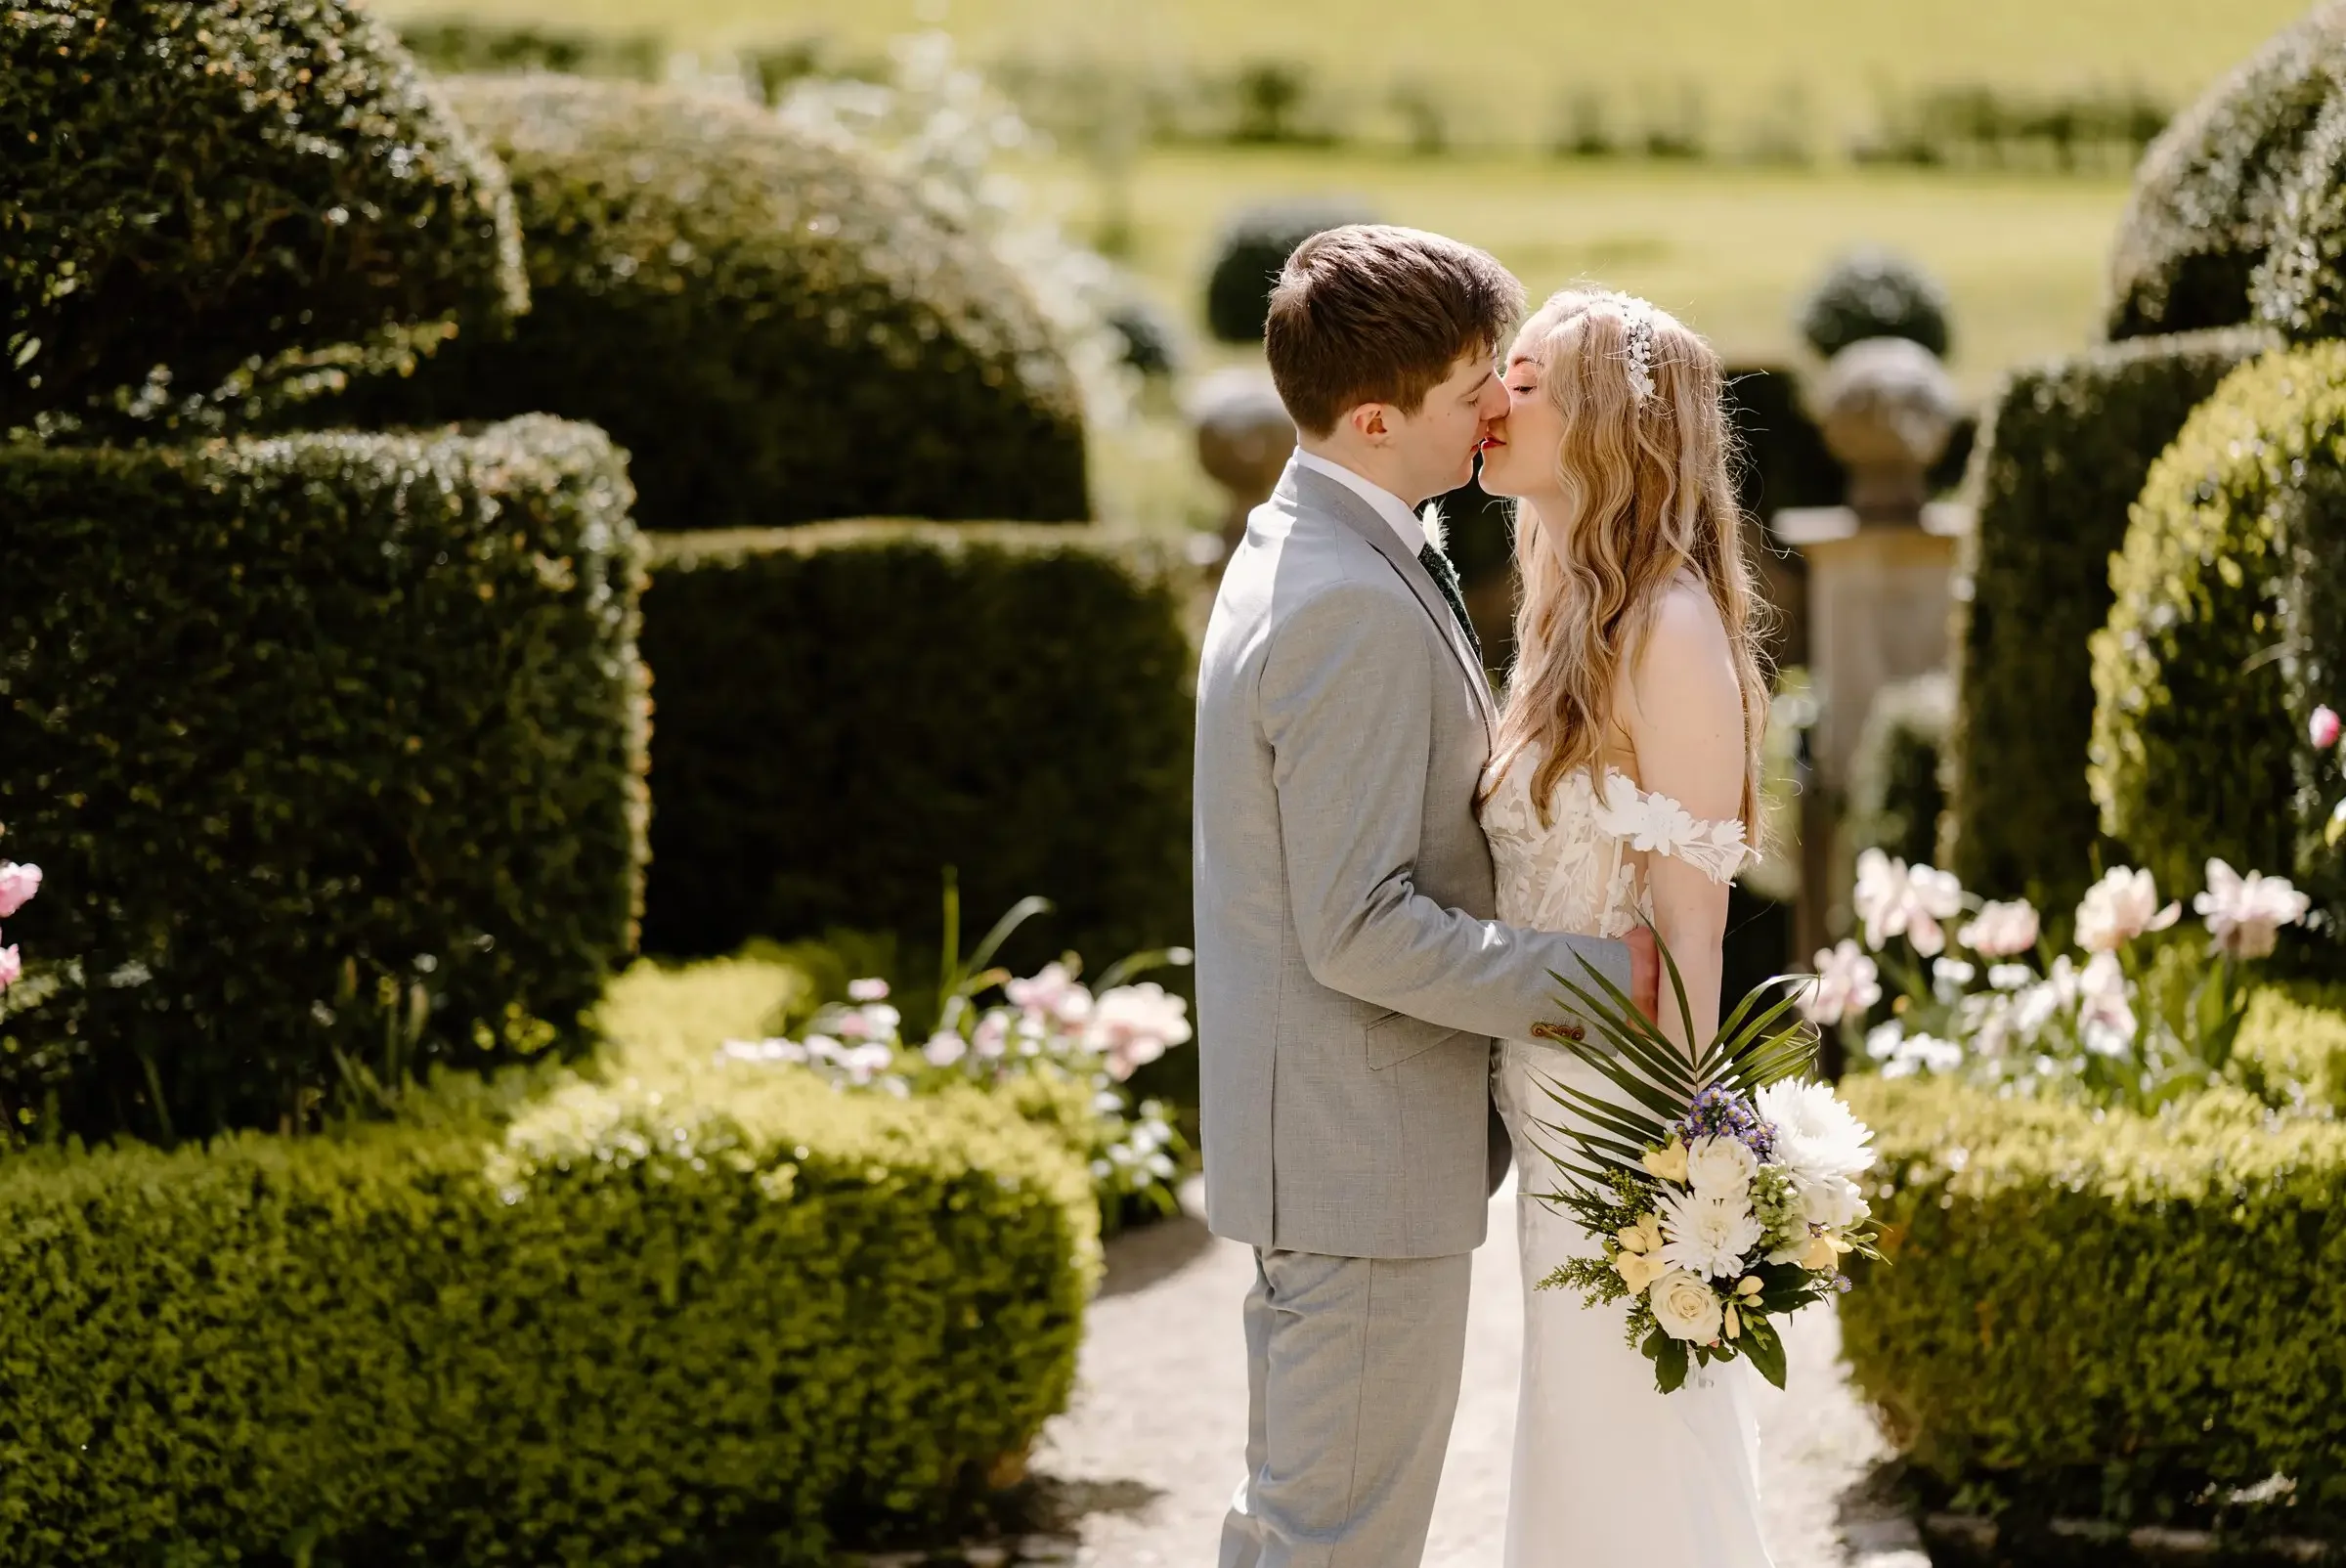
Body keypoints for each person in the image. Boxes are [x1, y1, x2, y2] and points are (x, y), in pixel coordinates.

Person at [1192, 226, 1661, 1568]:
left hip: (1336, 1149)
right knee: (1335, 1539)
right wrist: (1588, 976)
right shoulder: (1341, 596)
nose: (1501, 407)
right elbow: (1354, 922)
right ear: (1378, 416)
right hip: (1356, 1158)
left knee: (1304, 1519)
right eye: (1475, 389)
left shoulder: (1332, 540)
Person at [1475, 286, 1775, 1568]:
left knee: (1630, 1438)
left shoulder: (1671, 631)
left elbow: (1693, 932)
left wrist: (1685, 1185)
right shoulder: (1562, 623)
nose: (1491, 402)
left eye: (1525, 382)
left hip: (1621, 1130)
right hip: (1543, 1107)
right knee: (1570, 1435)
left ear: (1606, 423)